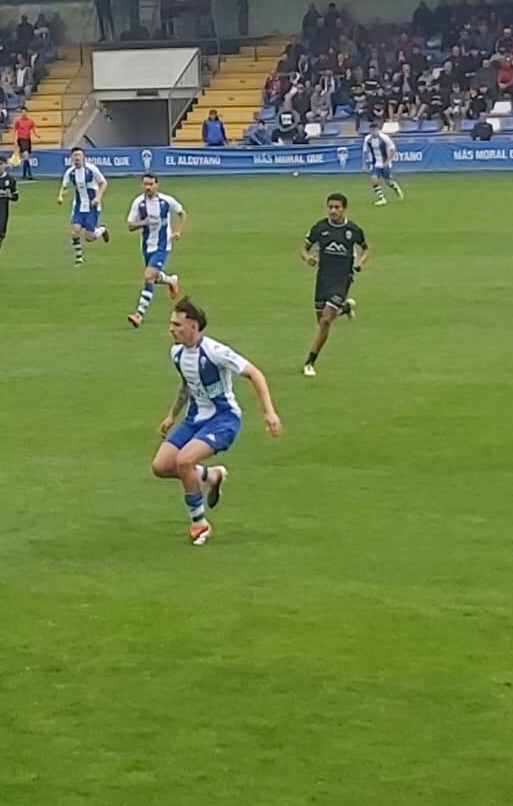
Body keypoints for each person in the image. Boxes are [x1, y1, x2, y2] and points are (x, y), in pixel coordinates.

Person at [151, 298, 282, 546]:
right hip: (194, 420)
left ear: (193, 326)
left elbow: (254, 373)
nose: (171, 329)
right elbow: (187, 386)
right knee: (161, 466)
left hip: (223, 419)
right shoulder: (176, 353)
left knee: (184, 461)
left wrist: (269, 412)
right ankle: (211, 476)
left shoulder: (215, 352)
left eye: (177, 324)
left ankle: (199, 524)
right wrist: (172, 415)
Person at [299, 192, 370, 377]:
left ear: (344, 209)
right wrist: (308, 259)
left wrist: (360, 262)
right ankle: (345, 308)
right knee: (322, 322)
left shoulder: (353, 230)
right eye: (330, 207)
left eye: (337, 208)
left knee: (325, 320)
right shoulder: (320, 228)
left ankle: (309, 362)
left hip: (342, 280)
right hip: (323, 279)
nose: (333, 211)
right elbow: (303, 248)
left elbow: (366, 249)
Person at [125, 173, 185, 327]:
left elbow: (181, 213)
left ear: (157, 185)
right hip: (147, 246)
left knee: (148, 276)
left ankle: (139, 314)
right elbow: (130, 226)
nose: (148, 187)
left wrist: (178, 231)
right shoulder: (138, 203)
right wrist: (143, 222)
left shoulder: (166, 201)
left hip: (162, 245)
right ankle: (171, 280)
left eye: (151, 184)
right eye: (145, 184)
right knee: (153, 276)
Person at [58, 147, 109, 264]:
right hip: (79, 206)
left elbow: (103, 183)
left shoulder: (91, 169)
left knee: (89, 237)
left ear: (83, 157)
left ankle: (102, 229)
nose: (77, 158)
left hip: (92, 205)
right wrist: (61, 195)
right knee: (74, 230)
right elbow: (64, 186)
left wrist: (98, 197)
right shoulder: (70, 172)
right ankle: (79, 257)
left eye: (79, 155)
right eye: (74, 156)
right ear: (71, 158)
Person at [361, 122, 404, 206]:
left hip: (385, 162)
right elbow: (364, 152)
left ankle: (396, 188)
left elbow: (392, 149)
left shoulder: (384, 138)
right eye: (371, 131)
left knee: (388, 181)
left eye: (374, 130)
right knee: (374, 179)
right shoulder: (367, 139)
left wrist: (388, 161)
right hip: (375, 163)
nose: (373, 132)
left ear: (378, 130)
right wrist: (364, 163)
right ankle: (382, 198)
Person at [12, 108, 38, 180]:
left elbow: (34, 129)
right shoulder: (18, 121)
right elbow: (15, 130)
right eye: (22, 112)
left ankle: (24, 174)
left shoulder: (30, 121)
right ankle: (29, 174)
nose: (24, 113)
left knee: (25, 157)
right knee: (26, 155)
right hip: (21, 139)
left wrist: (37, 135)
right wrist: (15, 141)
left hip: (28, 140)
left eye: (25, 112)